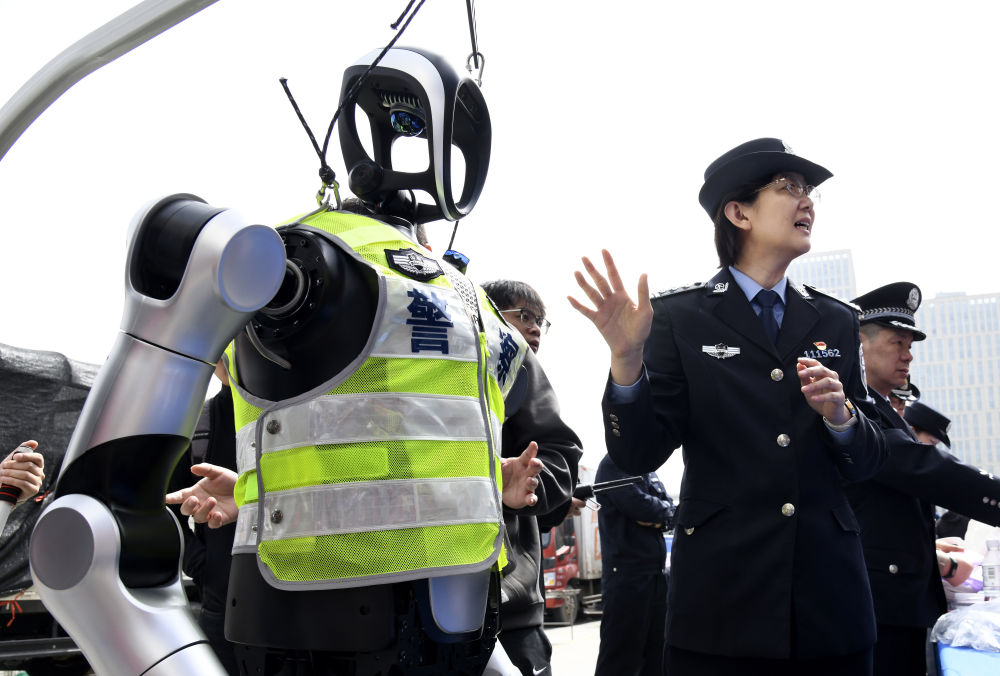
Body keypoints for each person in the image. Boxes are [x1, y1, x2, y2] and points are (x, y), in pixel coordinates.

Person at [570, 138, 888, 676]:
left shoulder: (836, 320)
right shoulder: (679, 317)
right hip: (722, 601)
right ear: (738, 212)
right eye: (789, 188)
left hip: (830, 602)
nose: (807, 201)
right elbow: (637, 451)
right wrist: (627, 360)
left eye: (809, 190)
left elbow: (869, 461)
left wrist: (842, 419)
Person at [845, 282, 1000, 676]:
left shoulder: (878, 408)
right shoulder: (848, 411)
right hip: (876, 604)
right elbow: (922, 467)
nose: (908, 355)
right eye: (898, 342)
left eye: (910, 344)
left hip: (895, 599)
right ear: (859, 345)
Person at [480, 279, 582, 676]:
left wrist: (528, 487)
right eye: (525, 316)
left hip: (510, 605)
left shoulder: (521, 369)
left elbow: (559, 456)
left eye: (541, 320)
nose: (536, 328)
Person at [167, 361, 238, 675]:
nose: (224, 358)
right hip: (222, 606)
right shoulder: (198, 424)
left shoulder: (295, 415)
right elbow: (167, 509)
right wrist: (204, 567)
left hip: (301, 597)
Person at [593, 453, 673, 676]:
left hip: (656, 576)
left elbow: (670, 510)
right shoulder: (614, 465)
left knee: (658, 657)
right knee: (620, 658)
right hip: (626, 578)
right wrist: (659, 513)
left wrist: (660, 514)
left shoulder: (648, 468)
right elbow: (638, 506)